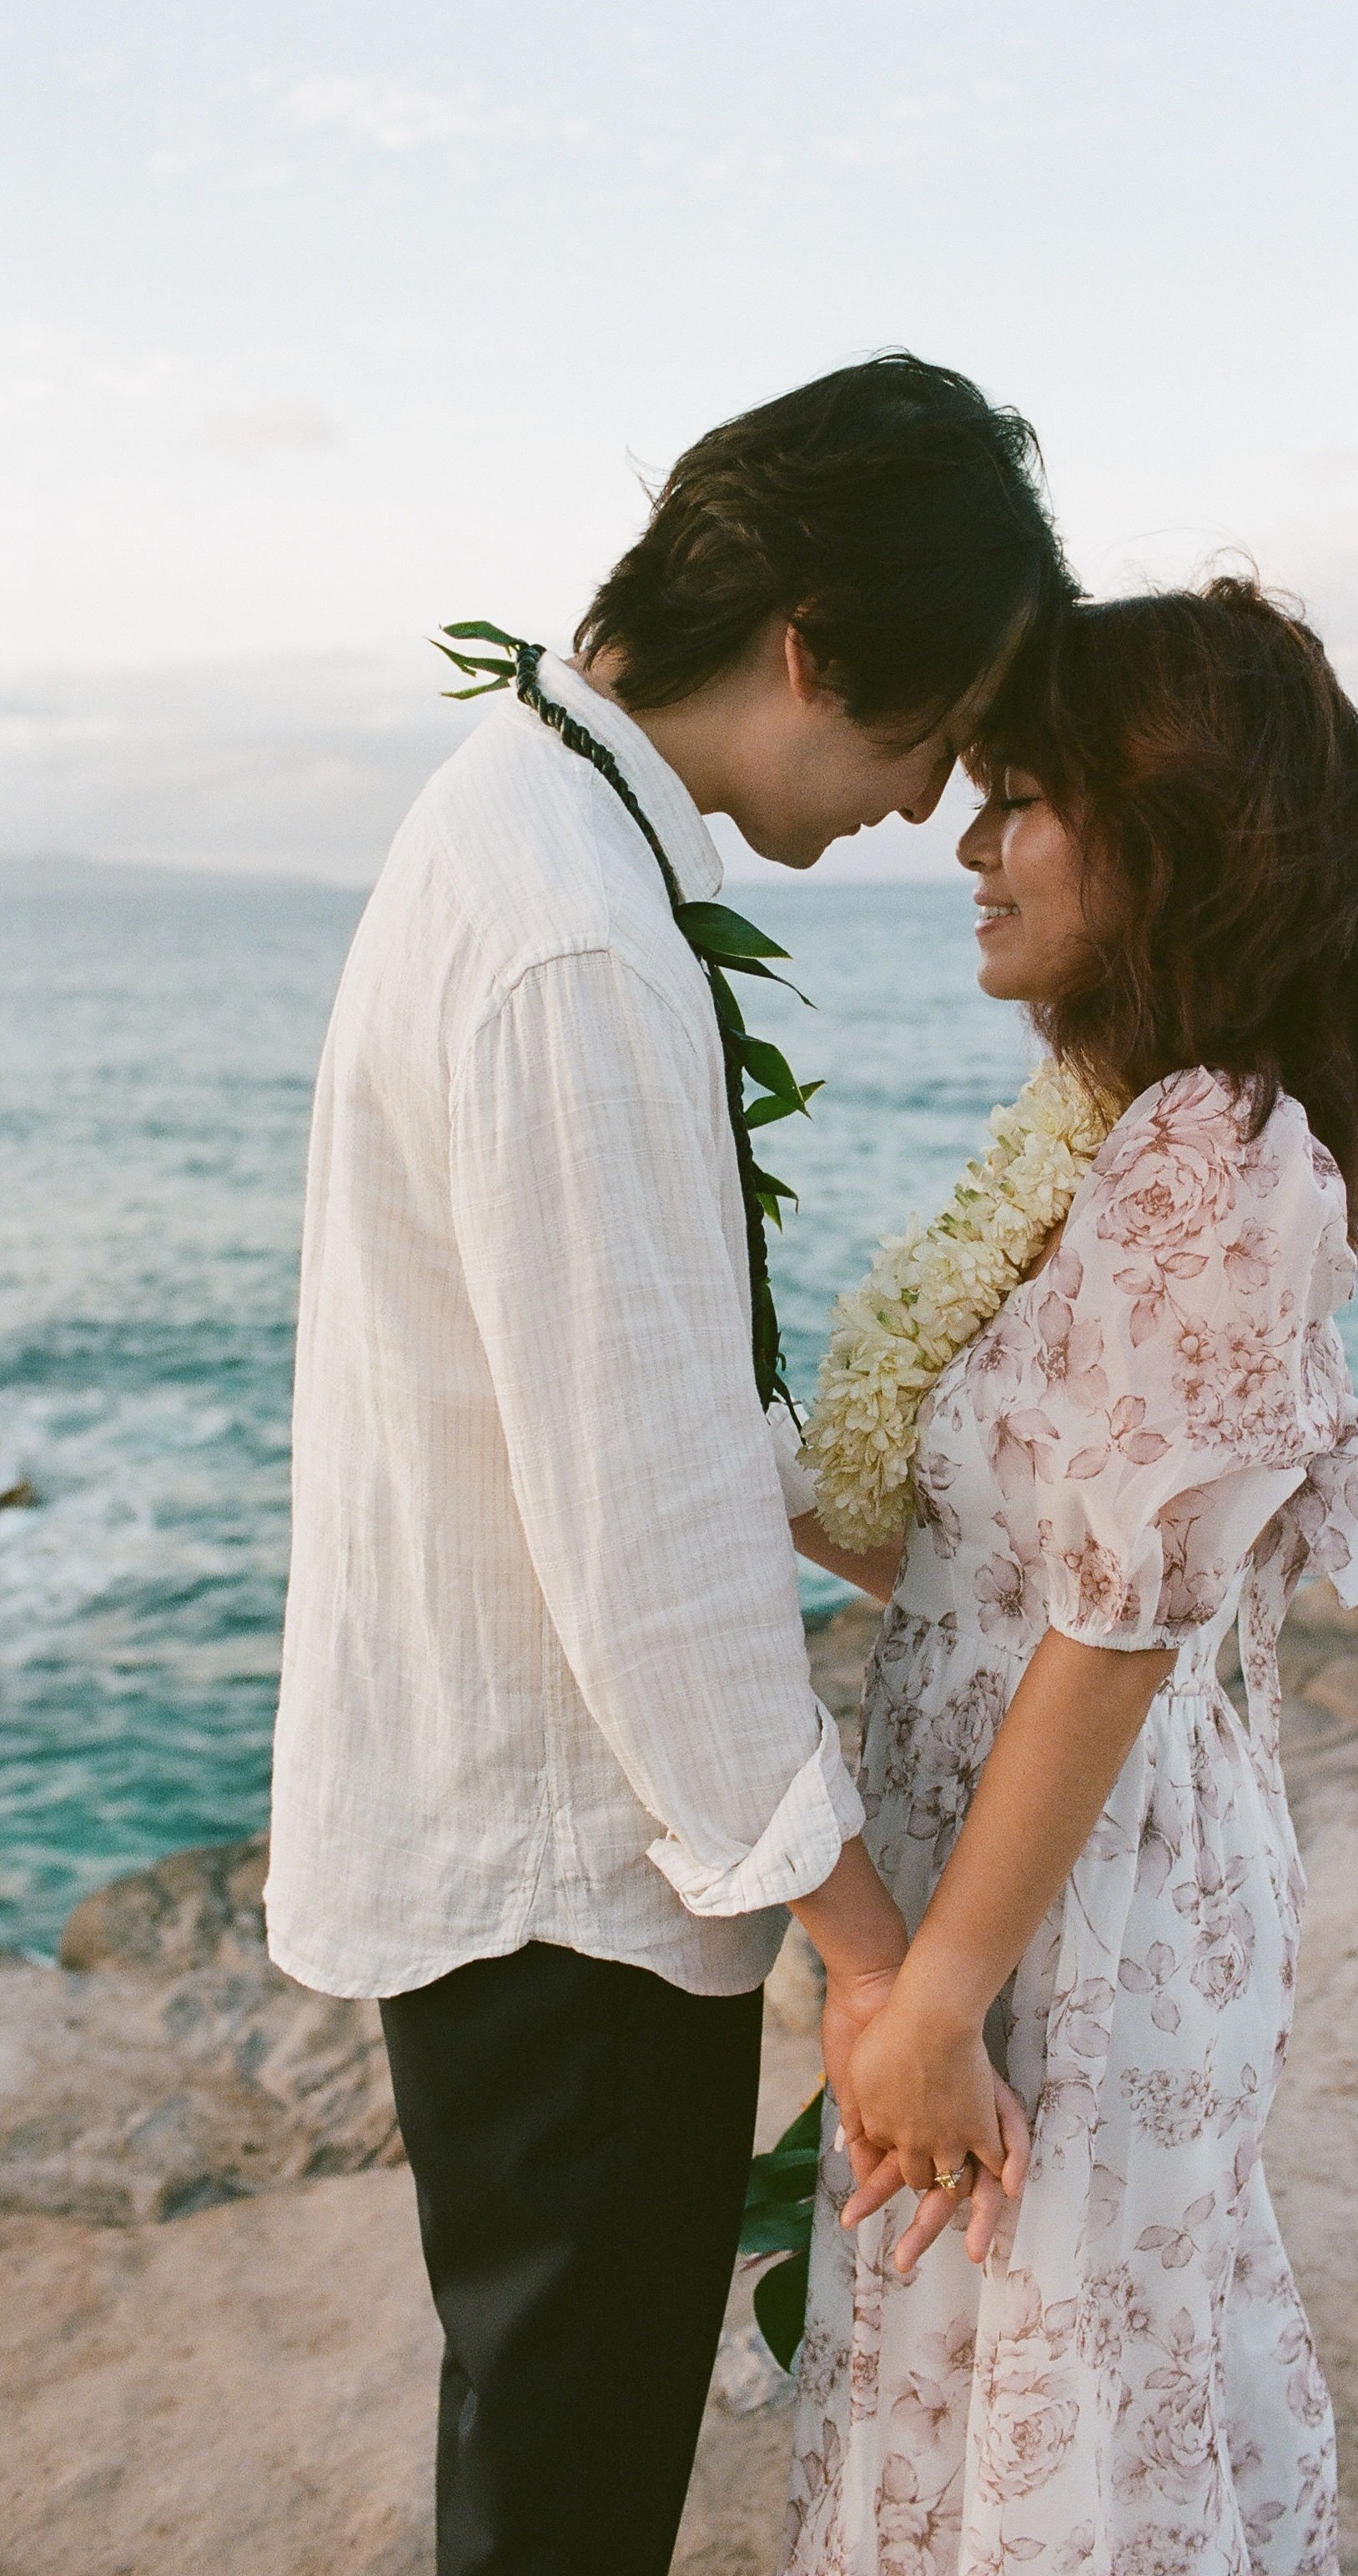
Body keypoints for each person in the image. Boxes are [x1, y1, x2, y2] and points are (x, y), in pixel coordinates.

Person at [264, 354, 1069, 2576]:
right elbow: (645, 1546)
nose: (927, 811)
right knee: (571, 2477)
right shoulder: (571, 932)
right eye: (932, 738)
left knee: (554, 2427)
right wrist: (881, 1952)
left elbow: (646, 1433)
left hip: (546, 1824)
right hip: (567, 1869)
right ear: (814, 646)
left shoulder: (541, 822)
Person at [779, 577, 1358, 2575]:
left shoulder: (1209, 1158)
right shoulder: (1119, 1132)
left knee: (1049, 2402)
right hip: (1019, 1869)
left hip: (1073, 1907)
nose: (973, 848)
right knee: (1009, 2384)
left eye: (1025, 800)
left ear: (1174, 841)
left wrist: (930, 1994)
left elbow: (1114, 1628)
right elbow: (981, 1550)